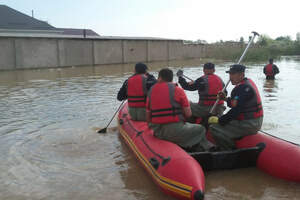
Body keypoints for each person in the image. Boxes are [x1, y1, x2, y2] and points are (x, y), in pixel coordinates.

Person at [146, 68, 214, 152]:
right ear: (171, 78)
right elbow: (188, 114)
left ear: (159, 78)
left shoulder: (151, 91)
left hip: (157, 132)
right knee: (201, 128)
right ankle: (204, 148)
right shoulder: (178, 90)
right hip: (174, 131)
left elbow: (148, 116)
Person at [208, 64, 264, 151]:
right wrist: (225, 99)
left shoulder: (242, 88)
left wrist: (220, 120)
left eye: (233, 74)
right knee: (222, 121)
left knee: (214, 128)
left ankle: (228, 150)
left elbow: (236, 110)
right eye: (230, 74)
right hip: (254, 121)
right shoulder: (247, 83)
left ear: (242, 75)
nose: (230, 77)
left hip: (249, 123)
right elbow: (237, 104)